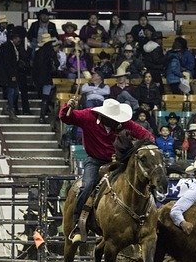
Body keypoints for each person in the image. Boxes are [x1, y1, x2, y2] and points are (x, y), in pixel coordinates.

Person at [59, 98, 155, 242]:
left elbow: (146, 135)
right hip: (95, 160)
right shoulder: (87, 117)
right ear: (104, 116)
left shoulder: (123, 123)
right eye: (113, 119)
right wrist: (68, 107)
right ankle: (77, 224)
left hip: (118, 161)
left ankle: (146, 217)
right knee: (87, 186)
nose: (117, 122)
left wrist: (146, 144)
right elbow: (67, 117)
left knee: (138, 181)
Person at [32, 34, 60, 124]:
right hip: (47, 77)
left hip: (38, 78)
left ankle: (43, 114)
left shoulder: (38, 52)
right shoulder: (51, 52)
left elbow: (34, 66)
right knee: (45, 97)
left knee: (43, 96)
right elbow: (57, 64)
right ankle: (42, 116)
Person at [0, 30, 22, 122]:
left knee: (15, 92)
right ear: (14, 38)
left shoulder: (12, 46)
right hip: (9, 74)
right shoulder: (8, 46)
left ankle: (7, 107)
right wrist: (12, 75)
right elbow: (8, 62)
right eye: (18, 39)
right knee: (12, 92)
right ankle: (10, 110)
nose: (19, 41)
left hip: (11, 73)